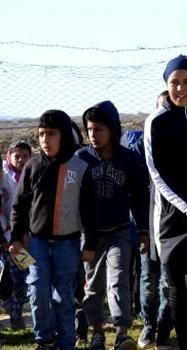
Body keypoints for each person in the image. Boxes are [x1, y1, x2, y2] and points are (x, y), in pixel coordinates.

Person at [10, 109, 97, 350]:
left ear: (64, 135)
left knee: (64, 298)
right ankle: (45, 341)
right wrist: (17, 236)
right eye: (41, 134)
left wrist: (89, 244)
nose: (45, 140)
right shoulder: (32, 166)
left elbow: (89, 211)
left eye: (51, 134)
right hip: (36, 244)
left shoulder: (80, 167)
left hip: (68, 244)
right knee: (37, 291)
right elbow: (19, 204)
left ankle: (66, 342)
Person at [144, 55, 187, 350]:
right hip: (174, 220)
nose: (181, 89)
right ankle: (185, 342)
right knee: (178, 290)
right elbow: (157, 173)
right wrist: (186, 207)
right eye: (174, 83)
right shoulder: (157, 121)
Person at [77, 101, 149, 350]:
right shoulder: (81, 158)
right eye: (89, 130)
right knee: (94, 286)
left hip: (120, 230)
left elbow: (140, 196)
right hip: (91, 234)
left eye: (99, 129)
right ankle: (97, 333)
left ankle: (121, 333)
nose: (93, 135)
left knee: (119, 280)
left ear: (113, 130)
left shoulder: (127, 159)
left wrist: (142, 229)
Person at [120, 126, 173, 350]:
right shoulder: (137, 152)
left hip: (171, 230)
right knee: (149, 280)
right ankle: (149, 324)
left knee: (167, 283)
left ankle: (163, 328)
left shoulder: (176, 152)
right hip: (146, 230)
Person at [1, 140, 33, 329]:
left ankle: (16, 312)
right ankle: (15, 316)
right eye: (17, 156)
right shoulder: (4, 178)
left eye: (25, 156)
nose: (21, 160)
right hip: (9, 240)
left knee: (23, 279)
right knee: (12, 279)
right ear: (9, 157)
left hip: (28, 238)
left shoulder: (33, 175)